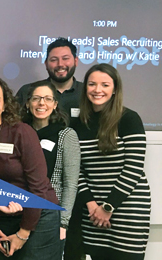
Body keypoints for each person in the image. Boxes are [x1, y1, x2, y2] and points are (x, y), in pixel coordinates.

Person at [0, 77, 60, 259]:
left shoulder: (22, 132)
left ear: (5, 105)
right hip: (0, 220)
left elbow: (38, 187)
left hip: (37, 216)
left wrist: (23, 234)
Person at [70, 64, 150, 260]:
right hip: (93, 211)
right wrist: (91, 205)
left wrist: (108, 208)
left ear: (114, 89)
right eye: (92, 84)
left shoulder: (129, 119)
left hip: (126, 208)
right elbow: (76, 170)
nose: (98, 90)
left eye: (105, 85)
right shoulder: (79, 123)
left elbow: (134, 168)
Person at [20, 81, 80, 250]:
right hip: (19, 212)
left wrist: (63, 222)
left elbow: (70, 183)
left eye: (47, 99)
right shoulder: (19, 132)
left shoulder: (66, 135)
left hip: (51, 215)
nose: (41, 103)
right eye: (36, 98)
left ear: (55, 104)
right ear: (27, 103)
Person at [15, 37, 82, 119]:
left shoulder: (87, 93)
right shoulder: (27, 91)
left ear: (76, 61)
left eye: (65, 58)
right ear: (46, 63)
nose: (60, 64)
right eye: (54, 60)